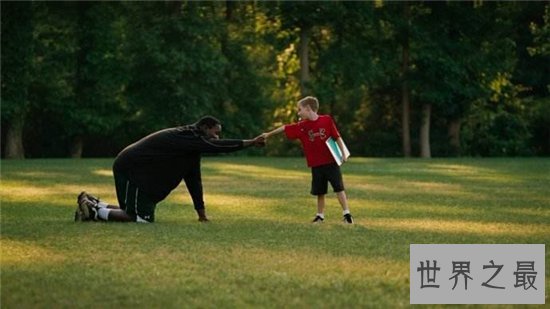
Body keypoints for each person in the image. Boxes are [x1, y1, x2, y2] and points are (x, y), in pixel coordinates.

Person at [75, 116, 265, 223]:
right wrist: (250, 142)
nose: (216, 138)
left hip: (138, 173)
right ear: (205, 128)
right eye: (215, 133)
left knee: (134, 211)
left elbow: (194, 180)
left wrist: (202, 216)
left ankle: (93, 203)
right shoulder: (188, 136)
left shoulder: (191, 148)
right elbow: (219, 147)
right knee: (140, 218)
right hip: (131, 169)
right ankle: (93, 211)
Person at [262, 96, 354, 224]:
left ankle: (347, 214)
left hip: (331, 163)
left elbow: (337, 137)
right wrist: (268, 134)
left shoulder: (326, 120)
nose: (298, 113)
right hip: (316, 165)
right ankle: (320, 216)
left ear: (308, 108)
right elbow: (284, 128)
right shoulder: (302, 126)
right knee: (319, 191)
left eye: (300, 110)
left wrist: (343, 154)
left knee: (339, 188)